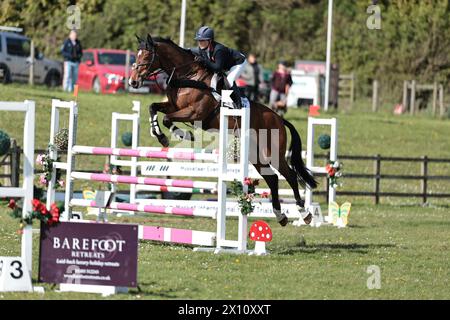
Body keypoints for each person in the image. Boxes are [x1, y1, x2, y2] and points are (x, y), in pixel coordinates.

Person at [190, 26, 248, 108]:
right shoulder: (202, 49)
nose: (200, 43)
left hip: (238, 62)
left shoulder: (219, 50)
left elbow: (217, 68)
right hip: (226, 65)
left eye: (202, 40)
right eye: (199, 40)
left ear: (210, 41)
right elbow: (190, 50)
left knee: (229, 79)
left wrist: (204, 61)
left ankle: (239, 102)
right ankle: (224, 101)